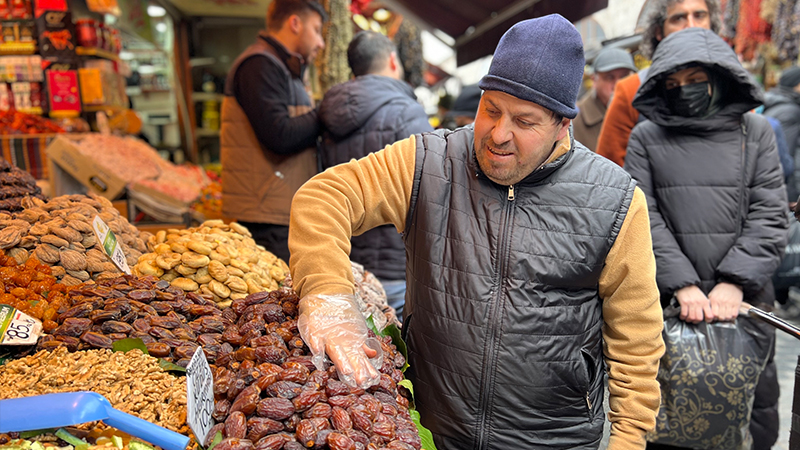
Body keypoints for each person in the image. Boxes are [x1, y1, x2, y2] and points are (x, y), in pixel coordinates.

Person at [289, 14, 665, 449]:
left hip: (555, 437)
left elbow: (636, 338)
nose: (499, 134)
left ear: (563, 126)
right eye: (491, 110)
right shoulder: (428, 162)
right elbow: (325, 197)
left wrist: (629, 439)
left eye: (524, 122)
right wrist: (328, 295)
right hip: (434, 429)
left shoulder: (615, 200)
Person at [623, 27, 788, 450]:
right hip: (668, 305)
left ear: (720, 77)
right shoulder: (645, 137)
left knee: (751, 418)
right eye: (673, 84)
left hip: (745, 304)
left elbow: (770, 212)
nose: (685, 91)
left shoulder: (756, 133)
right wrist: (683, 284)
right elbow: (642, 217)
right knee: (668, 419)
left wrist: (735, 281)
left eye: (695, 81)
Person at [317, 30, 432, 320]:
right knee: (397, 355)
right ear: (393, 60)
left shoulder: (328, 114)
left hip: (347, 262)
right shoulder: (407, 112)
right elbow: (430, 186)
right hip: (396, 263)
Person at [220, 0, 326, 262]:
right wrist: (329, 110)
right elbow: (280, 135)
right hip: (267, 218)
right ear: (294, 23)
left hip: (279, 209)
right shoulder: (260, 65)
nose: (321, 42)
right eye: (316, 29)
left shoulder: (284, 68)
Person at [596, 0, 722, 166]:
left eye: (699, 16)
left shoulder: (733, 86)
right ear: (658, 32)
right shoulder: (631, 91)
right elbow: (609, 174)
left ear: (711, 24)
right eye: (678, 18)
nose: (691, 26)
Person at [573, 47, 637, 151]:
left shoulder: (645, 111)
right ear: (594, 80)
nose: (618, 84)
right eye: (610, 77)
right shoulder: (575, 120)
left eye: (624, 77)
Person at [764, 66, 800, 202]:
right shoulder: (790, 111)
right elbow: (786, 155)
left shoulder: (779, 105)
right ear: (797, 85)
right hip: (790, 190)